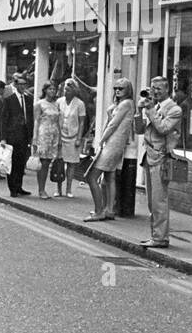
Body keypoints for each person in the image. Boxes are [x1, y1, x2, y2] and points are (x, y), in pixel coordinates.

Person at [137, 76, 182, 248]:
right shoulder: (154, 107)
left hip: (161, 157)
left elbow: (163, 128)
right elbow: (139, 130)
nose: (154, 92)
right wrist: (139, 111)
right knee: (151, 201)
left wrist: (149, 110)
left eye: (158, 88)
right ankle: (155, 235)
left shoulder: (174, 109)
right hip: (149, 156)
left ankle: (160, 238)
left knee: (159, 200)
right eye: (152, 88)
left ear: (167, 89)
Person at [85, 78, 135, 222]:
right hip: (117, 145)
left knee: (91, 177)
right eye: (115, 88)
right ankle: (109, 210)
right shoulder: (125, 104)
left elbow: (113, 125)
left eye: (121, 88)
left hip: (112, 144)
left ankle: (99, 211)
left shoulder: (126, 103)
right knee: (109, 177)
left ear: (128, 90)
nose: (117, 90)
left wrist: (100, 141)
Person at [0, 73, 33, 197]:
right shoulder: (9, 100)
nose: (23, 86)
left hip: (24, 136)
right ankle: (12, 188)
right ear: (16, 85)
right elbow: (4, 120)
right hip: (12, 136)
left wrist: (31, 136)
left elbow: (31, 119)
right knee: (12, 162)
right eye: (20, 84)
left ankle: (19, 187)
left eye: (25, 84)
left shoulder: (29, 99)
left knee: (21, 163)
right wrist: (3, 138)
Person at [56, 79, 88, 198]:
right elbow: (55, 119)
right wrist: (57, 137)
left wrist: (79, 138)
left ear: (74, 91)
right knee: (59, 164)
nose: (66, 92)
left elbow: (82, 122)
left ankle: (68, 189)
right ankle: (58, 189)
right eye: (65, 89)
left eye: (68, 90)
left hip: (73, 137)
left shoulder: (80, 104)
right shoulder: (59, 101)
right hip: (61, 136)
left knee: (71, 164)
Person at [31, 81, 62, 199]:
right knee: (43, 162)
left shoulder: (56, 104)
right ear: (45, 90)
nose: (52, 91)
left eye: (54, 89)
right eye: (50, 89)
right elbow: (36, 121)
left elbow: (58, 122)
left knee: (48, 162)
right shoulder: (39, 104)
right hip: (43, 134)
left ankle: (43, 189)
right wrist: (35, 137)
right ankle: (41, 190)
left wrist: (60, 138)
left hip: (54, 134)